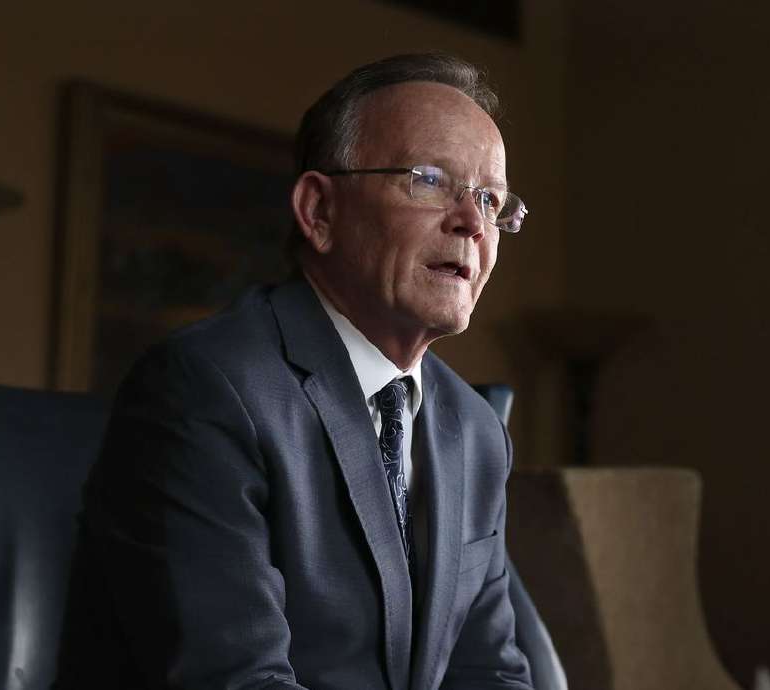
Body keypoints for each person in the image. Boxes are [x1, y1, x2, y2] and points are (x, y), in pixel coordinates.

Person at [57, 52, 533, 690]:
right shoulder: (206, 388)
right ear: (319, 211)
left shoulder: (476, 431)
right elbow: (237, 680)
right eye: (428, 179)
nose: (472, 223)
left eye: (491, 200)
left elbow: (490, 673)